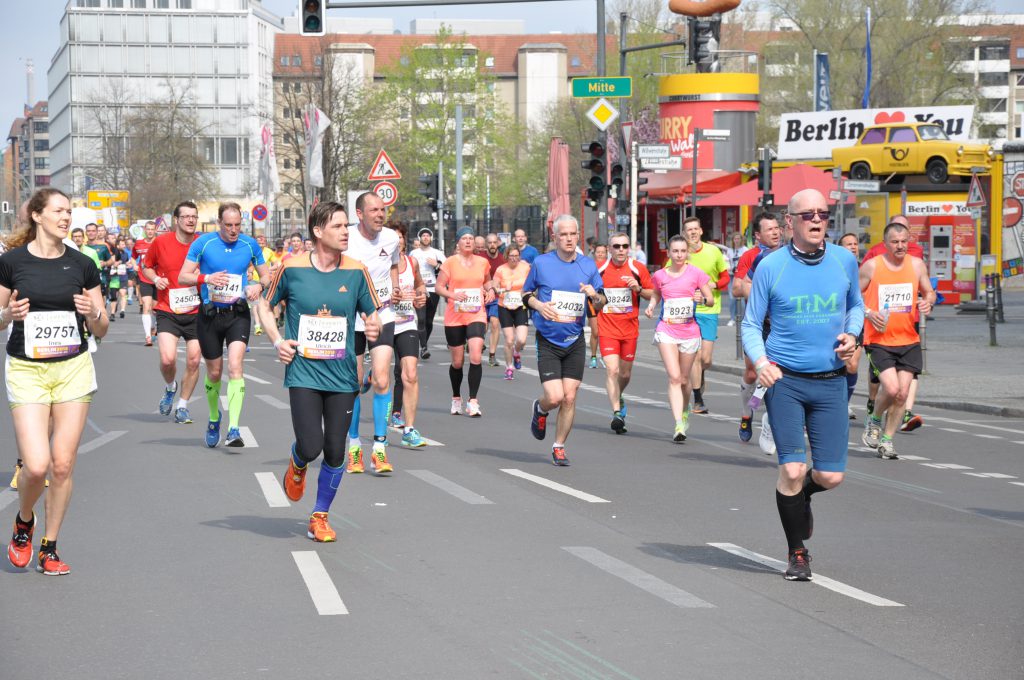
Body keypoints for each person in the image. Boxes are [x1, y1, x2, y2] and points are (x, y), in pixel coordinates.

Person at [741, 188, 864, 582]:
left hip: (831, 382)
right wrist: (761, 363)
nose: (817, 220)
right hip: (786, 381)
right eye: (807, 214)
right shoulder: (770, 266)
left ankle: (804, 496)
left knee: (829, 477)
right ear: (789, 221)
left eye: (823, 214)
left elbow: (857, 305)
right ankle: (797, 553)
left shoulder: (844, 261)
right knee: (792, 469)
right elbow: (749, 323)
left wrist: (853, 335)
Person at [256, 201, 382, 542]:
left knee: (336, 450)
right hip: (304, 373)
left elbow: (373, 316)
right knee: (312, 446)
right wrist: (278, 340)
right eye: (338, 226)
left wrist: (373, 329)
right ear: (318, 231)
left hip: (342, 376)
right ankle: (298, 464)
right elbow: (265, 306)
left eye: (347, 226)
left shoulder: (356, 271)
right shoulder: (292, 268)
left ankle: (320, 516)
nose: (346, 232)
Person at [2, 187, 109, 575]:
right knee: (35, 466)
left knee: (62, 465)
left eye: (69, 212)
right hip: (28, 369)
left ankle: (50, 546)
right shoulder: (12, 263)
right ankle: (24, 521)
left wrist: (93, 311)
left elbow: (102, 327)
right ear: (37, 215)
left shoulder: (82, 264)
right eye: (59, 211)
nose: (66, 217)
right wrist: (8, 314)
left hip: (73, 369)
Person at [178, 203, 270, 448]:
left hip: (238, 313)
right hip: (210, 314)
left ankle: (233, 429)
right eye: (228, 225)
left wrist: (257, 286)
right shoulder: (203, 243)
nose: (233, 230)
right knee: (215, 372)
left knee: (236, 366)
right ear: (219, 222)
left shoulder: (249, 244)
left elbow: (267, 275)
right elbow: (183, 276)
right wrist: (206, 278)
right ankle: (214, 417)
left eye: (238, 225)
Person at [523, 215, 605, 466]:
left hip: (574, 340)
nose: (569, 239)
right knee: (556, 397)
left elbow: (602, 301)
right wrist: (538, 305)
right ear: (555, 237)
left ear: (578, 235)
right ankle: (541, 408)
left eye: (573, 234)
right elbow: (526, 294)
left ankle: (559, 446)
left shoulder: (588, 266)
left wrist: (594, 295)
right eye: (564, 235)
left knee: (570, 397)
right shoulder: (541, 263)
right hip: (548, 339)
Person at [859, 221, 935, 459]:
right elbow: (850, 296)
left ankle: (887, 440)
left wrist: (928, 302)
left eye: (904, 241)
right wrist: (870, 313)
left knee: (902, 394)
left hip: (908, 339)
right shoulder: (872, 267)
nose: (901, 246)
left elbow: (928, 291)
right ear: (885, 243)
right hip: (879, 339)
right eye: (895, 242)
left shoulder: (916, 265)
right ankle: (873, 420)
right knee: (891, 389)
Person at [344, 192, 399, 475]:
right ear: (360, 214)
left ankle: (379, 448)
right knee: (352, 383)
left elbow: (392, 265)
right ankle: (354, 447)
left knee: (381, 378)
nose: (380, 214)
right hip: (351, 316)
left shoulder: (391, 238)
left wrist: (397, 287)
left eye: (383, 210)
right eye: (374, 210)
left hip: (382, 314)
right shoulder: (346, 239)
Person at [646, 235, 714, 442]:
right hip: (666, 329)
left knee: (684, 380)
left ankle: (684, 412)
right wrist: (651, 306)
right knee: (674, 377)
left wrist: (702, 299)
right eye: (675, 251)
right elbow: (657, 293)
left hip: (690, 331)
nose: (679, 255)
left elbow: (710, 300)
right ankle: (678, 425)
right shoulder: (660, 275)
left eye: (682, 251)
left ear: (687, 253)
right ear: (669, 253)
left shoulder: (696, 274)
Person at [141, 201, 202, 425]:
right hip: (168, 309)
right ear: (176, 220)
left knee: (194, 360)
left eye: (194, 216)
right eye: (185, 216)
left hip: (197, 310)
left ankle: (183, 406)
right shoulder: (161, 242)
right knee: (168, 360)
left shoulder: (202, 243)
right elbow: (146, 266)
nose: (190, 220)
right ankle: (170, 387)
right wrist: (156, 279)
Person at [732, 213, 782, 451]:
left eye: (777, 228)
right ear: (758, 235)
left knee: (779, 375)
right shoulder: (752, 257)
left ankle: (772, 422)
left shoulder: (789, 254)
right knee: (752, 373)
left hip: (781, 325)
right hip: (758, 323)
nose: (775, 232)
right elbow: (736, 288)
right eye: (769, 229)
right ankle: (746, 412)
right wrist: (761, 298)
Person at [435, 227, 496, 417]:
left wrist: (491, 290)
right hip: (455, 315)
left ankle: (473, 401)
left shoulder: (483, 262)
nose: (468, 241)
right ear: (458, 243)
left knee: (476, 355)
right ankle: (456, 397)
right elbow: (438, 287)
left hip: (476, 313)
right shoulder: (450, 263)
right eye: (465, 238)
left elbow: (487, 282)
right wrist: (453, 294)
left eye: (471, 238)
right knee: (458, 362)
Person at [597, 232, 653, 434]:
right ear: (609, 249)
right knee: (612, 370)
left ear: (629, 248)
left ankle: (618, 395)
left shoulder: (637, 268)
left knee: (625, 373)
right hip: (607, 328)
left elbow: (652, 293)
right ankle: (617, 413)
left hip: (630, 329)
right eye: (616, 246)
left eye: (624, 246)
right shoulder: (600, 269)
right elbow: (593, 297)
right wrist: (595, 299)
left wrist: (637, 288)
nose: (621, 249)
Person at [681, 216, 730, 414]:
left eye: (695, 229)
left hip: (710, 309)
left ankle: (700, 375)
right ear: (685, 234)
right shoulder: (681, 253)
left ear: (701, 231)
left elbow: (726, 277)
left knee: (706, 359)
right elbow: (667, 274)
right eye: (688, 230)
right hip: (689, 310)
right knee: (697, 355)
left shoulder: (713, 251)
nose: (692, 232)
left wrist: (714, 285)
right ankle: (698, 399)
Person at [387, 223, 429, 448]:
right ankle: (369, 378)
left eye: (400, 238)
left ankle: (409, 429)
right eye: (393, 238)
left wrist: (421, 297)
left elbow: (421, 286)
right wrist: (387, 298)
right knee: (381, 378)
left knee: (410, 374)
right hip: (384, 322)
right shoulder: (379, 263)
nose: (398, 241)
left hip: (406, 323)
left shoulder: (411, 262)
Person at [493, 244, 531, 380]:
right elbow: (495, 287)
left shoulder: (526, 267)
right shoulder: (501, 269)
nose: (514, 259)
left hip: (521, 306)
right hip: (505, 306)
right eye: (511, 256)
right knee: (509, 340)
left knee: (521, 339)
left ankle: (516, 352)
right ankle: (509, 367)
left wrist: (528, 293)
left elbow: (532, 283)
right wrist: (504, 290)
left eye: (516, 256)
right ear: (507, 256)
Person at [837, 233, 863, 418]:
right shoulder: (836, 266)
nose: (853, 247)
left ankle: (843, 404)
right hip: (837, 320)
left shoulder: (865, 267)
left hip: (857, 320)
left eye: (855, 244)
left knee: (852, 365)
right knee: (837, 365)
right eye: (848, 244)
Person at [410, 227, 444, 360]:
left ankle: (423, 343)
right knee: (422, 319)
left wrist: (436, 264)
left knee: (429, 321)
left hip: (433, 289)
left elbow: (447, 268)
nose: (425, 237)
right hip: (419, 289)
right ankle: (424, 348)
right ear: (420, 238)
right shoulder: (413, 253)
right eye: (423, 235)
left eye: (427, 236)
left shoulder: (437, 253)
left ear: (431, 238)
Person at [481, 233, 506, 367]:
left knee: (495, 324)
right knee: (483, 326)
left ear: (498, 244)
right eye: (489, 243)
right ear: (486, 245)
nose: (492, 245)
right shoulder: (480, 259)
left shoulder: (503, 260)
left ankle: (492, 355)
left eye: (494, 242)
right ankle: (477, 342)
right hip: (482, 296)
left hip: (497, 297)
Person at [132, 221, 158, 346]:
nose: (150, 231)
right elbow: (133, 256)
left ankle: (153, 327)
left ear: (155, 230)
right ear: (144, 230)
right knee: (146, 307)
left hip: (158, 280)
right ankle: (147, 335)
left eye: (152, 229)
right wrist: (134, 265)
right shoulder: (139, 244)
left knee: (155, 310)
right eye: (148, 229)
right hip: (144, 279)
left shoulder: (160, 243)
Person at [587, 243, 609, 369]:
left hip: (606, 300)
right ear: (594, 254)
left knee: (606, 331)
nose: (600, 254)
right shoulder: (590, 266)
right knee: (595, 331)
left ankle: (605, 356)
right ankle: (594, 357)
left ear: (607, 253)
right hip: (592, 300)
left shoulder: (610, 266)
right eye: (598, 252)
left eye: (603, 252)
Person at [724, 232, 749, 327]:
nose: (737, 240)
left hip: (742, 276)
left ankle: (743, 318)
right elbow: (726, 259)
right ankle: (732, 318)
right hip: (732, 275)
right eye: (735, 239)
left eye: (738, 238)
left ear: (741, 240)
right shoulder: (730, 250)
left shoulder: (745, 250)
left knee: (742, 298)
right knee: (732, 298)